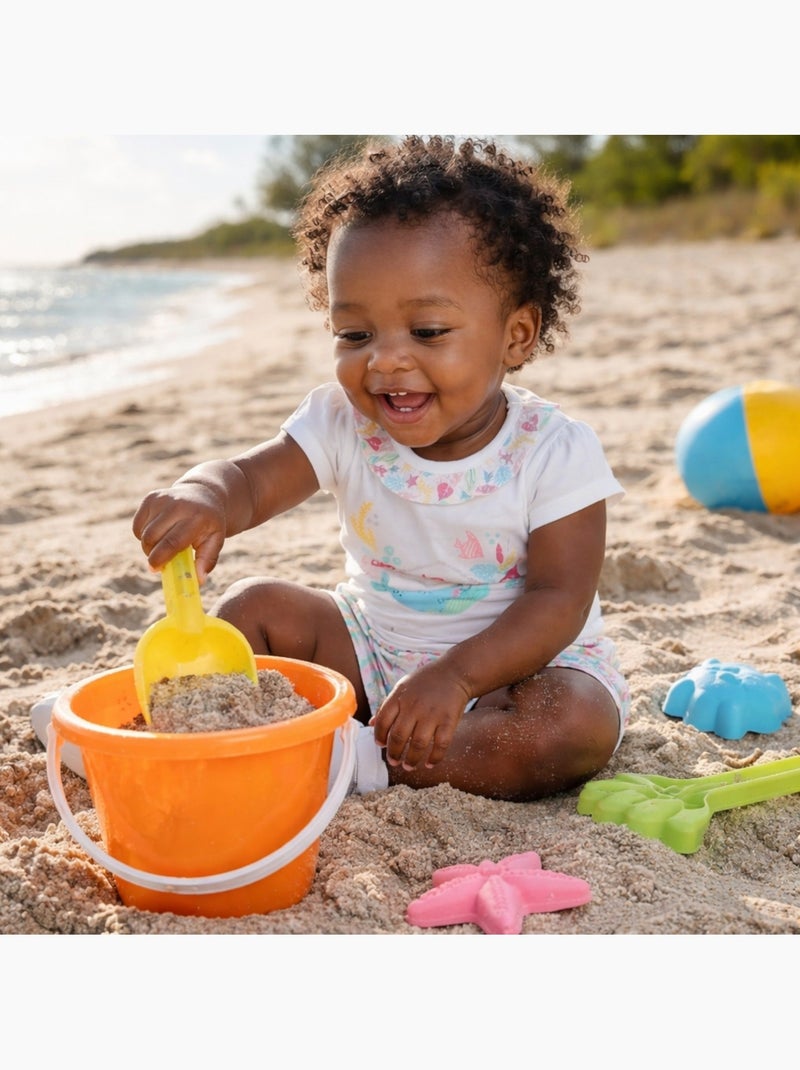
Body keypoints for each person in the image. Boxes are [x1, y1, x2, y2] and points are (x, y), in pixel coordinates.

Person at [41, 135, 630, 800]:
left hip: (513, 676)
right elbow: (253, 479)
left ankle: (356, 763)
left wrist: (459, 679)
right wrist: (204, 494)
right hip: (371, 651)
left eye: (428, 332)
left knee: (571, 725)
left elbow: (559, 600)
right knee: (257, 608)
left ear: (516, 336)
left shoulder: (554, 450)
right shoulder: (345, 422)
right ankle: (165, 738)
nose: (385, 361)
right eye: (355, 335)